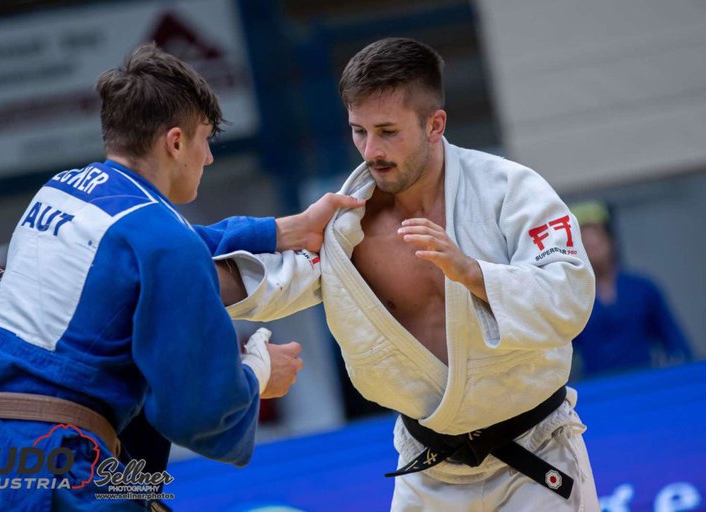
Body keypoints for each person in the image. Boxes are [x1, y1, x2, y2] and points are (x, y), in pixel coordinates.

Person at [0, 43, 360, 511]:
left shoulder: (60, 193)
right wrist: (260, 370)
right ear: (175, 142)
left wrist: (284, 229)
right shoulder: (160, 241)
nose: (209, 157)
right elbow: (198, 413)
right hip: (52, 470)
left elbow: (165, 244)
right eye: (205, 139)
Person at [216, 38, 600, 511]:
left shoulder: (511, 191)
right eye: (358, 131)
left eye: (387, 131)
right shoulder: (344, 226)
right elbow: (273, 279)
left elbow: (570, 297)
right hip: (429, 469)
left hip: (536, 455)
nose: (370, 150)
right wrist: (170, 273)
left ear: (434, 124)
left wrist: (472, 272)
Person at [570, 201, 692, 378]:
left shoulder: (642, 288)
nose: (593, 251)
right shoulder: (573, 299)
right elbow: (562, 351)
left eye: (597, 243)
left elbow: (675, 340)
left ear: (611, 242)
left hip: (644, 382)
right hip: (597, 389)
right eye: (586, 246)